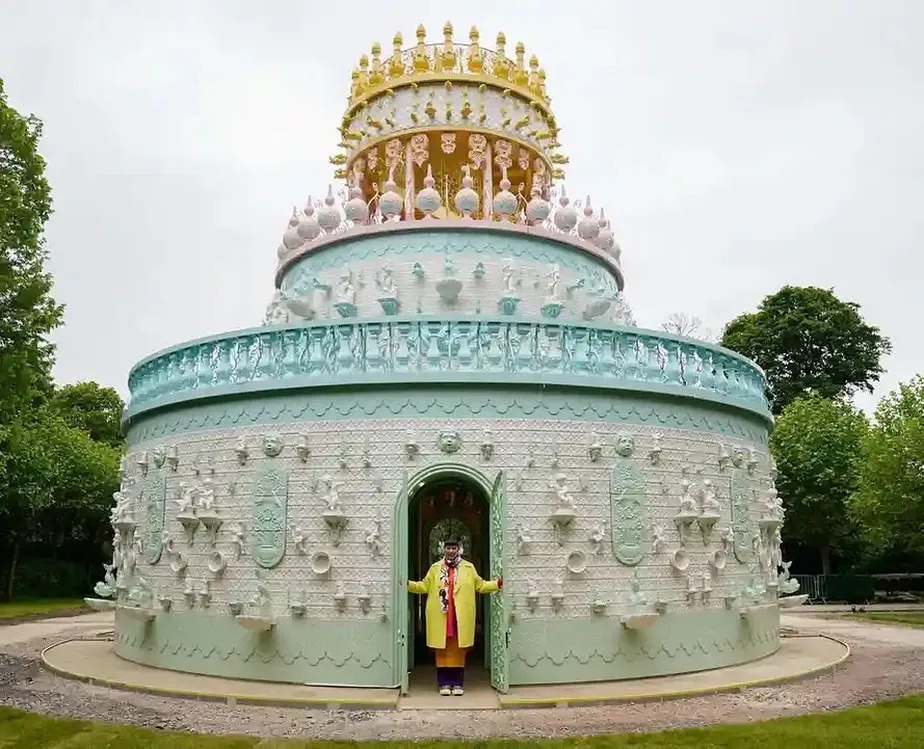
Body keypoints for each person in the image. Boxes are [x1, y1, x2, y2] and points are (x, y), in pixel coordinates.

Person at [407, 537, 502, 696]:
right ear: (444, 550)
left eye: (454, 548)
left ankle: (457, 683)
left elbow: (481, 585)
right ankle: (443, 683)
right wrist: (407, 584)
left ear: (459, 550)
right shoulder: (435, 568)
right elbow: (424, 586)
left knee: (458, 650)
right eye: (448, 548)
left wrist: (497, 584)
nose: (451, 551)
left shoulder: (468, 568)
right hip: (441, 615)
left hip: (460, 615)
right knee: (442, 650)